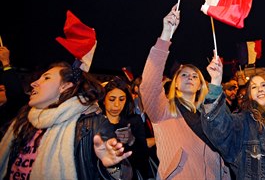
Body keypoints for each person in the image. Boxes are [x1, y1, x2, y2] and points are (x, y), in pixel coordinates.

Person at [139, 4, 231, 179]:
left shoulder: (208, 115)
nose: (190, 78)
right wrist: (165, 35)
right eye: (184, 75)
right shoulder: (162, 111)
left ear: (200, 86)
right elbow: (149, 85)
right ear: (174, 84)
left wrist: (216, 82)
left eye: (195, 76)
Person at [0, 61, 132, 180]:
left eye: (46, 78)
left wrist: (112, 167)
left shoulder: (91, 124)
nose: (34, 83)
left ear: (65, 86)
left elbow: (124, 175)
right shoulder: (23, 119)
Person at [100, 76, 154, 179]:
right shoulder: (95, 123)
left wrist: (132, 141)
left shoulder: (134, 121)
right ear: (103, 100)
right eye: (112, 99)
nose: (117, 105)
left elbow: (143, 159)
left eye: (121, 99)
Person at [0, 46, 29, 135]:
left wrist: (6, 63)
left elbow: (15, 92)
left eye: (3, 89)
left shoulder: (13, 109)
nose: (1, 88)